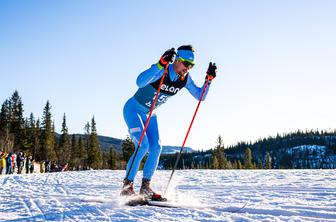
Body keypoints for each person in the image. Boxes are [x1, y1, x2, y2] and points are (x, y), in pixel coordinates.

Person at [121, 45, 217, 200]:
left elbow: (200, 96)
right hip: (133, 109)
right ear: (177, 60)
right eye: (186, 64)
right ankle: (127, 187)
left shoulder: (184, 80)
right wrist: (159, 63)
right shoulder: (162, 70)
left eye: (191, 66)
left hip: (150, 113)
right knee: (142, 145)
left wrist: (208, 81)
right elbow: (139, 82)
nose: (188, 69)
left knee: (156, 147)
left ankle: (145, 187)